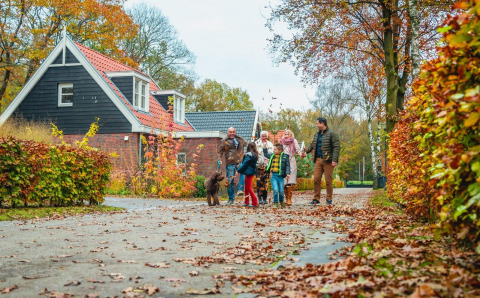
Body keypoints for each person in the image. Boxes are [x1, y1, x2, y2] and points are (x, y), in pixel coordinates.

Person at [304, 117, 340, 205]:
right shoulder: (317, 134)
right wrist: (305, 152)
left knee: (328, 181)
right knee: (316, 179)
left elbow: (336, 147)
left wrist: (334, 160)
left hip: (328, 160)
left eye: (317, 123)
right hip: (318, 160)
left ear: (322, 124)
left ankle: (329, 199)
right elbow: (312, 145)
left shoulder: (332, 134)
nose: (316, 125)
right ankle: (316, 199)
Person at [218, 127, 247, 204]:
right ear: (228, 133)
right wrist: (220, 159)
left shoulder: (239, 139)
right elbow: (220, 152)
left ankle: (240, 189)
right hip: (230, 162)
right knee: (230, 180)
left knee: (243, 173)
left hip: (240, 161)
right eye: (230, 132)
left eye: (233, 132)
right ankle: (231, 199)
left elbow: (247, 145)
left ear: (235, 132)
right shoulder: (224, 141)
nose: (232, 133)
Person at [279, 129, 302, 206]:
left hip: (291, 161)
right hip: (283, 162)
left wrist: (300, 154)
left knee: (290, 180)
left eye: (288, 133)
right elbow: (277, 150)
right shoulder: (281, 141)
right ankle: (286, 199)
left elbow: (298, 150)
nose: (286, 134)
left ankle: (289, 199)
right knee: (284, 181)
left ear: (291, 134)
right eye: (285, 133)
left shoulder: (294, 141)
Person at [263, 143, 290, 208]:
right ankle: (275, 202)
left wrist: (288, 173)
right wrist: (264, 148)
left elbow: (287, 166)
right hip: (274, 176)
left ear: (280, 150)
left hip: (280, 176)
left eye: (275, 149)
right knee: (275, 190)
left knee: (281, 190)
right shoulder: (272, 155)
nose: (273, 151)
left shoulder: (285, 156)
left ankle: (281, 201)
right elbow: (266, 154)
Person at [237, 142, 260, 207]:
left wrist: (238, 170)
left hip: (248, 173)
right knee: (246, 188)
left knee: (249, 188)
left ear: (248, 147)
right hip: (252, 172)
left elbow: (244, 164)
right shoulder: (255, 155)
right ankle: (246, 202)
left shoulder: (248, 155)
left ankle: (255, 202)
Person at [255, 131, 274, 204]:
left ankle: (265, 198)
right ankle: (259, 198)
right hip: (259, 165)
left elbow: (272, 153)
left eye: (265, 136)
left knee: (265, 182)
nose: (264, 138)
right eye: (263, 136)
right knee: (259, 182)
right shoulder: (257, 143)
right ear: (260, 136)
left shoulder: (270, 144)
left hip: (266, 166)